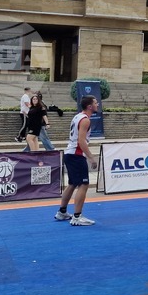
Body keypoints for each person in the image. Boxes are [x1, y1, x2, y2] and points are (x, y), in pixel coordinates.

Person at [55, 95, 99, 226]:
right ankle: (77, 217)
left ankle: (62, 212)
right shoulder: (85, 120)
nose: (98, 105)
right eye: (96, 103)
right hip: (76, 154)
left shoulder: (77, 116)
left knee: (73, 183)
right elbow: (81, 141)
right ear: (90, 106)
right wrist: (91, 157)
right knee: (83, 184)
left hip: (70, 153)